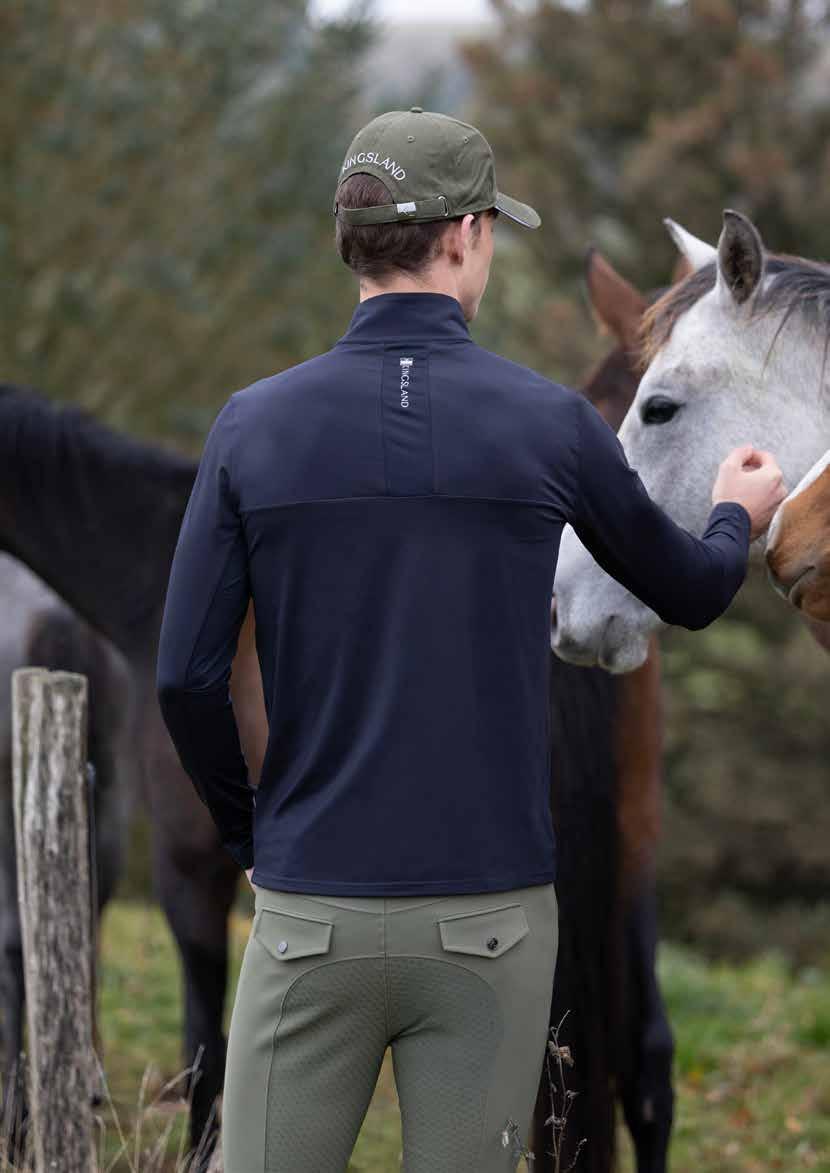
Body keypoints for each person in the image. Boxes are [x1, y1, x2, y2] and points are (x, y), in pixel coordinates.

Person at [156, 108, 786, 1173]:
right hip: (487, 925)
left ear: (352, 241)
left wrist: (251, 833)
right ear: (464, 236)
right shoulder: (549, 424)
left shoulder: (250, 426)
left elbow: (185, 677)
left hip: (310, 912)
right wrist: (733, 511)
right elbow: (687, 590)